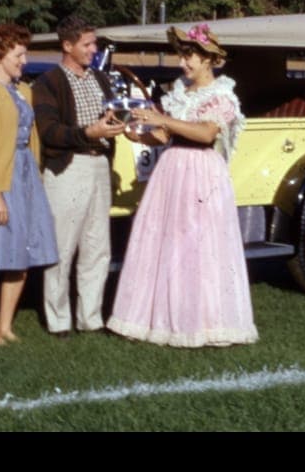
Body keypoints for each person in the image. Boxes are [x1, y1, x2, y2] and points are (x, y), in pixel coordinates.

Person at [107, 23, 258, 348]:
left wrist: (163, 119)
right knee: (169, 243)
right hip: (173, 168)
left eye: (189, 57)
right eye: (182, 56)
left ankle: (203, 324)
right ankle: (160, 320)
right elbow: (163, 136)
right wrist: (136, 132)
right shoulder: (179, 93)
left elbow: (205, 133)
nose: (183, 63)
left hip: (202, 170)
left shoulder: (222, 95)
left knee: (199, 245)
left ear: (207, 59)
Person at [0, 23, 59, 345]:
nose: (24, 60)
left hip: (25, 176)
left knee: (23, 253)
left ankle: (6, 325)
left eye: (24, 53)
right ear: (1, 54)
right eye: (19, 54)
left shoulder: (24, 92)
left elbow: (31, 139)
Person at [32, 14, 125, 339]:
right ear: (67, 45)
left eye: (94, 43)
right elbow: (50, 132)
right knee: (62, 247)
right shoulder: (47, 83)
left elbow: (107, 120)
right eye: (87, 44)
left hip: (99, 166)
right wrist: (89, 132)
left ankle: (91, 318)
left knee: (97, 247)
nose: (93, 49)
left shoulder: (101, 79)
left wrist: (114, 123)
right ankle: (58, 320)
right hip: (67, 169)